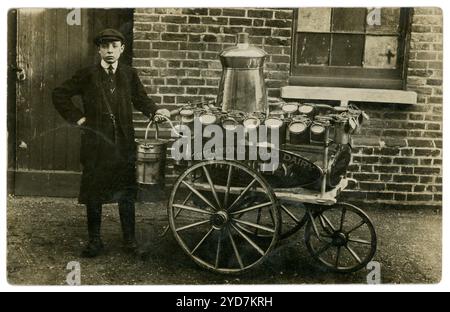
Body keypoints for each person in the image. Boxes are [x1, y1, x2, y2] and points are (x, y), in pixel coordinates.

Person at [53, 28, 169, 258]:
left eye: (115, 46)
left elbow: (141, 99)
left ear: (122, 49)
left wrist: (154, 112)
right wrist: (78, 118)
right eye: (105, 46)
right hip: (96, 145)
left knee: (126, 193)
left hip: (123, 144)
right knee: (94, 194)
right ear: (98, 49)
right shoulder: (87, 74)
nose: (109, 51)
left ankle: (129, 241)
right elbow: (59, 94)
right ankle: (95, 241)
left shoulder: (128, 74)